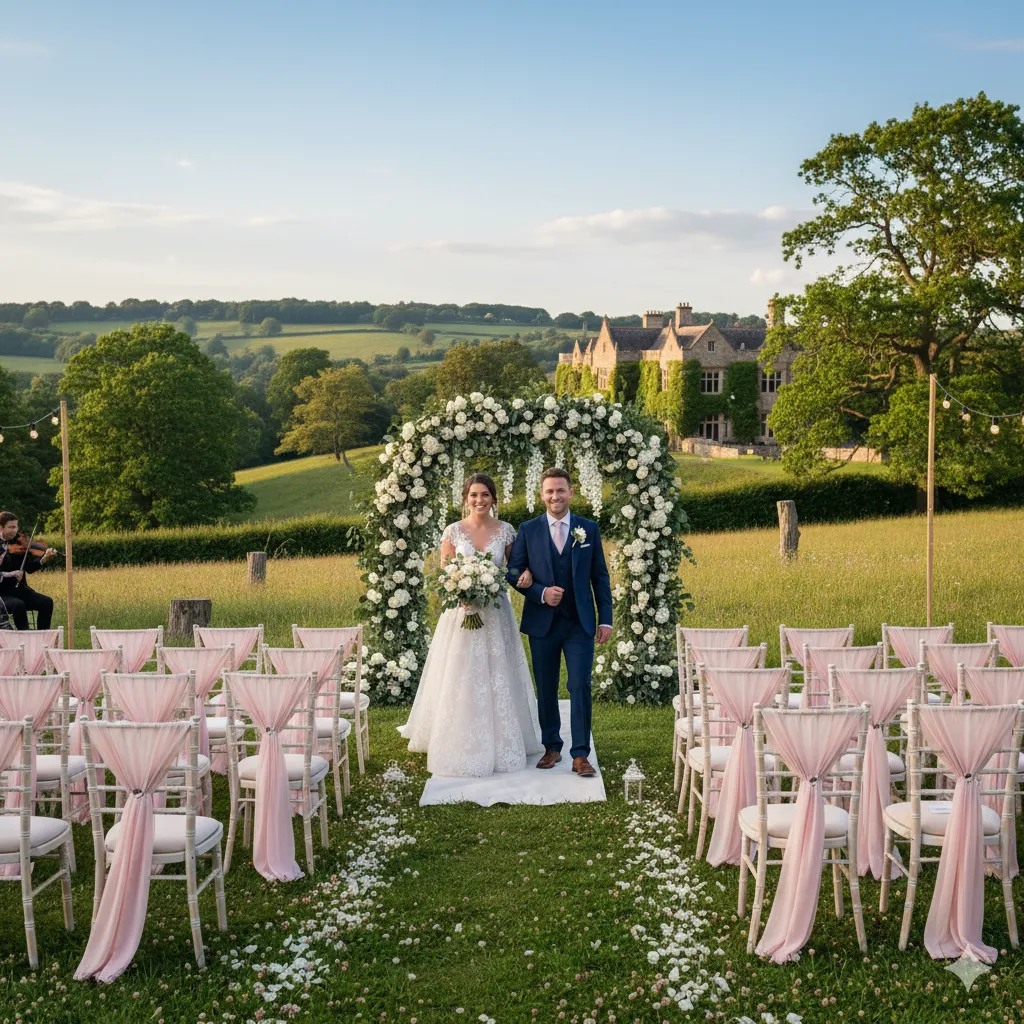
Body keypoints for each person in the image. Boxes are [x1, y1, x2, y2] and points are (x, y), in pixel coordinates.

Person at [400, 473, 543, 777]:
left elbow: (515, 565)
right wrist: (459, 592)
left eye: (485, 495)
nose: (479, 501)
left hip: (495, 612)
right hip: (462, 612)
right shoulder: (453, 531)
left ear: (494, 499)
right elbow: (444, 573)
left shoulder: (506, 531)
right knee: (461, 673)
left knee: (498, 671)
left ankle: (504, 737)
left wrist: (526, 573)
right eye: (474, 495)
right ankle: (455, 733)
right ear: (465, 498)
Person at [504, 467, 613, 778]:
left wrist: (605, 619)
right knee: (547, 686)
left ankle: (581, 754)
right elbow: (513, 572)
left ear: (571, 493)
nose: (555, 496)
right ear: (542, 495)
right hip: (542, 623)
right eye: (549, 491)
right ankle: (552, 746)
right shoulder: (528, 529)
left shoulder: (588, 529)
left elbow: (600, 578)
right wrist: (539, 592)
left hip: (580, 623)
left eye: (560, 490)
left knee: (579, 684)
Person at [0, 512, 58, 631]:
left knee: (46, 602)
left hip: (18, 590)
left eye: (15, 526)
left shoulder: (19, 544)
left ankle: (43, 639)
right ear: (1, 527)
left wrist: (44, 558)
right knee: (18, 605)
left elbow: (30, 568)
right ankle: (25, 639)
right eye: (10, 527)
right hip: (2, 594)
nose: (14, 530)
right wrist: (13, 574)